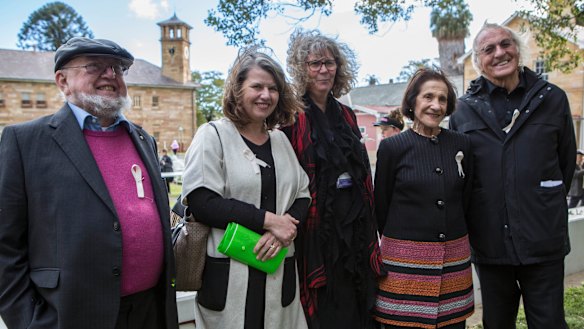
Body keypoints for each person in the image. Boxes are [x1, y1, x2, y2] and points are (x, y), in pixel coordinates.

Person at [0, 37, 178, 329]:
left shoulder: (145, 139)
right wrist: (29, 321)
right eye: (94, 66)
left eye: (118, 69)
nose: (110, 75)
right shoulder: (25, 141)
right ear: (63, 81)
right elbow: (6, 247)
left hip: (150, 311)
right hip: (72, 315)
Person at [449, 23, 576, 329]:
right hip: (490, 241)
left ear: (518, 50)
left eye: (506, 44)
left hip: (543, 237)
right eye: (488, 49)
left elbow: (566, 163)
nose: (499, 53)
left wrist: (542, 202)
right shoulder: (463, 111)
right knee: (497, 322)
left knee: (549, 323)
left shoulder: (552, 98)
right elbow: (462, 178)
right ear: (478, 61)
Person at [181, 47, 310, 329]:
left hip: (277, 267)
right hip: (229, 275)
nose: (266, 95)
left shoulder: (280, 141)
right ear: (237, 90)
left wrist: (280, 233)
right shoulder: (213, 135)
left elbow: (303, 195)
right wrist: (269, 221)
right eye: (257, 86)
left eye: (273, 88)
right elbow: (202, 202)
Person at [283, 29, 382, 329]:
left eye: (329, 63)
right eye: (315, 63)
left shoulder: (348, 115)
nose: (323, 70)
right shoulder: (290, 115)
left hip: (354, 222)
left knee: (358, 298)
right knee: (326, 306)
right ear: (302, 68)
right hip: (316, 228)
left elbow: (362, 170)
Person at [374, 68, 474, 328]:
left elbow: (467, 199)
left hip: (453, 263)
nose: (435, 105)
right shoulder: (392, 148)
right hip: (404, 267)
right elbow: (381, 206)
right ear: (413, 101)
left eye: (442, 99)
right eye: (428, 97)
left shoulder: (462, 145)